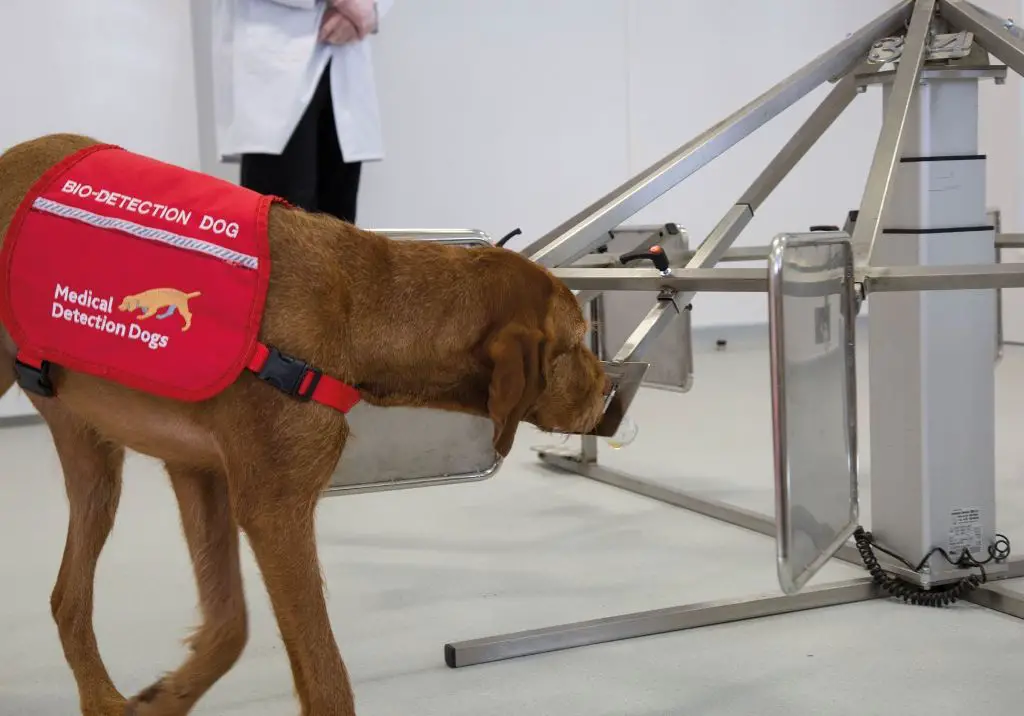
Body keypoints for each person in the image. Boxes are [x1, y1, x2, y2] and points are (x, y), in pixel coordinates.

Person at [210, 0, 394, 224]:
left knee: (341, 241)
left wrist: (370, 8)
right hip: (274, 62)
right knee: (283, 239)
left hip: (345, 55)